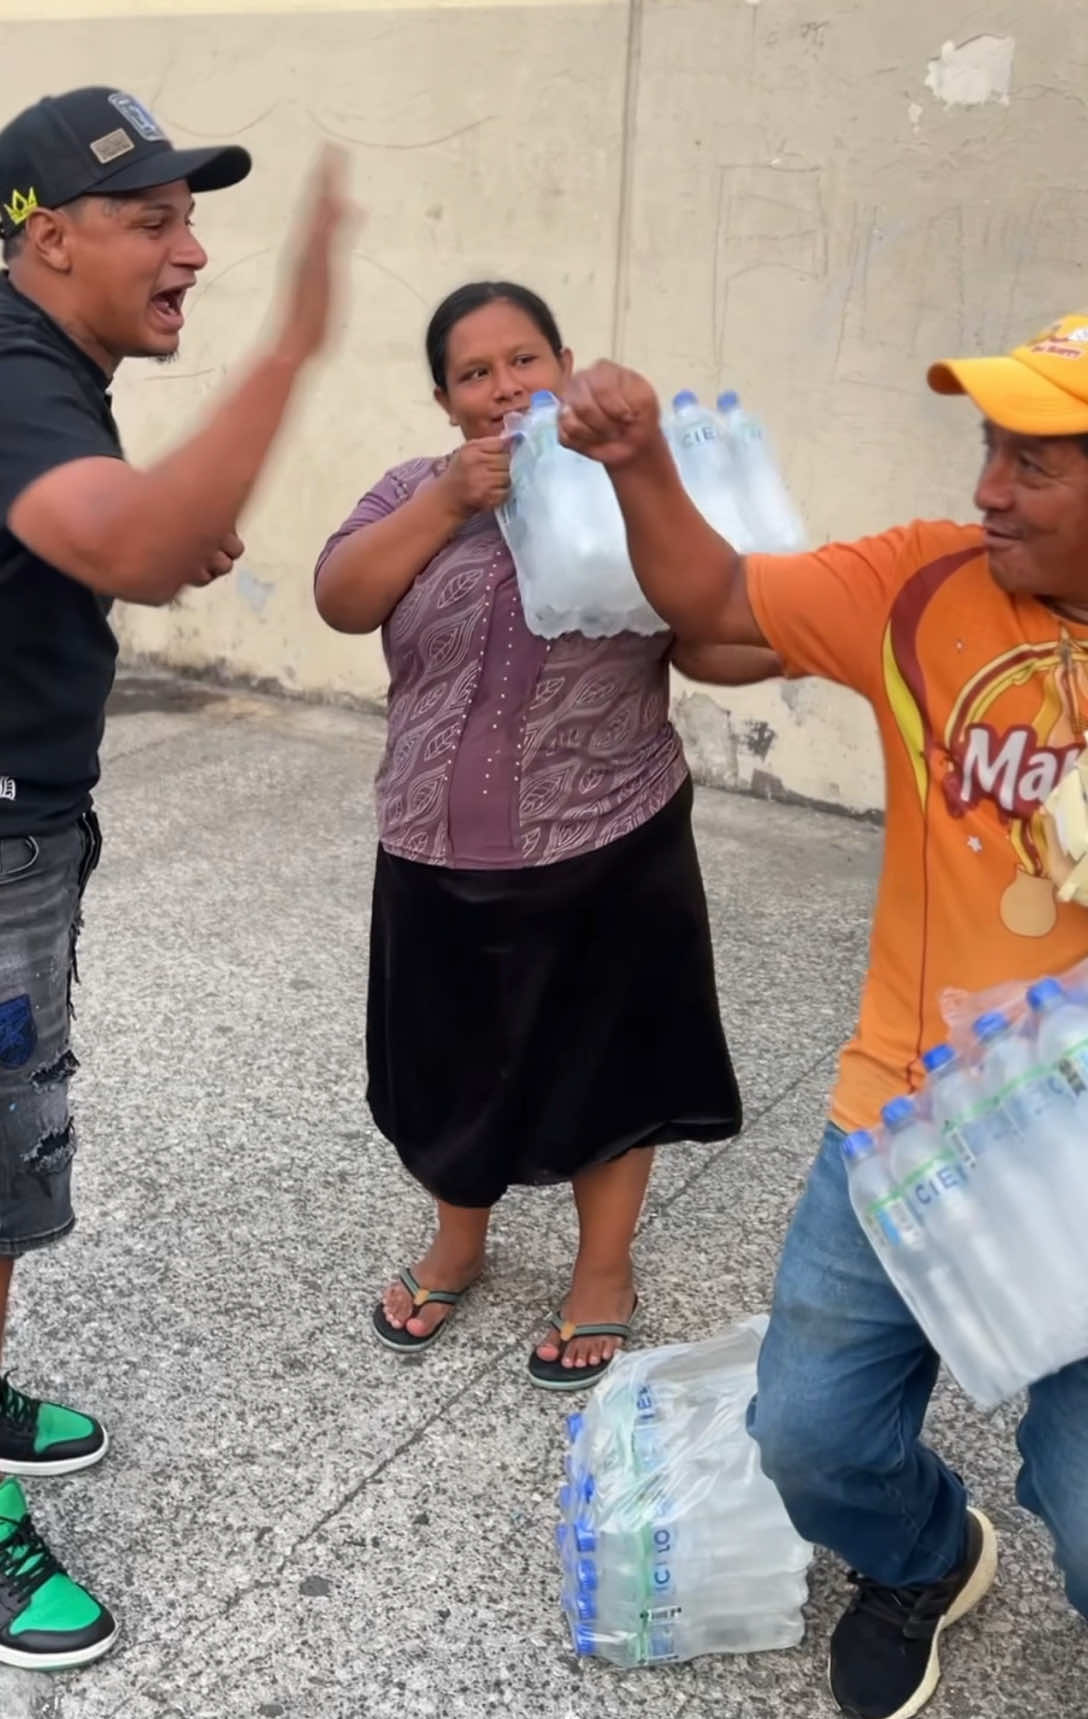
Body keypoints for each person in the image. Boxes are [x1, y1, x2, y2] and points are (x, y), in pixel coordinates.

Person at [557, 315, 1088, 1717]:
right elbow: (716, 596)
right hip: (910, 1113)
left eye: (1034, 462)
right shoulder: (927, 583)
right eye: (990, 448)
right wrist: (639, 459)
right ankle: (925, 1554)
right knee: (809, 1437)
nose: (988, 489)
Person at [0, 87, 348, 1669]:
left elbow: (91, 536)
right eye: (152, 219)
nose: (192, 251)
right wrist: (294, 349)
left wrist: (149, 531)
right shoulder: (2, 374)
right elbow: (131, 541)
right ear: (49, 238)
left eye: (190, 216)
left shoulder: (12, 369)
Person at [315, 281, 772, 1390]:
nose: (504, 387)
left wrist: (804, 626)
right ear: (444, 399)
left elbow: (708, 637)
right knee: (445, 1067)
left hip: (610, 839)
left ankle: (602, 1271)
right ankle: (458, 1245)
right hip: (431, 843)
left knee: (611, 1069)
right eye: (474, 373)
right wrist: (446, 505)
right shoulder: (410, 489)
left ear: (564, 367)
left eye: (524, 360)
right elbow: (341, 595)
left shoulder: (630, 490)